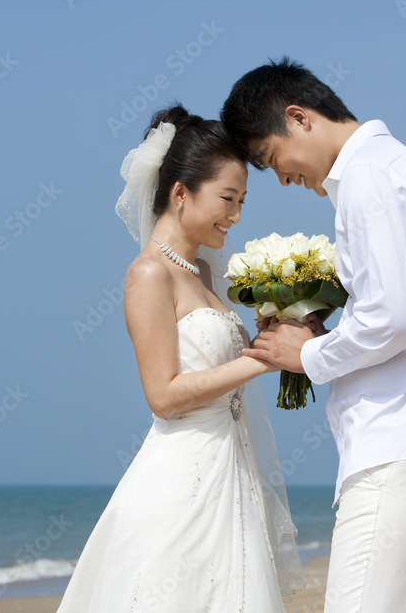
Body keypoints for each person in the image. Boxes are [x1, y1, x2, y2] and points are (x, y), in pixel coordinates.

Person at [221, 58, 406, 612]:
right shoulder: (401, 165)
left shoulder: (367, 176)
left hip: (404, 445)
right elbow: (403, 313)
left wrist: (308, 352)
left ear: (299, 117)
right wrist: (323, 330)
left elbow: (389, 320)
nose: (285, 178)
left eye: (272, 160)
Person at [57, 105, 304, 611]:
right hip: (181, 481)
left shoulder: (203, 276)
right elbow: (163, 396)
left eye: (242, 202)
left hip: (231, 469)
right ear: (180, 193)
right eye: (227, 199)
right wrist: (264, 359)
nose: (236, 216)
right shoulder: (149, 274)